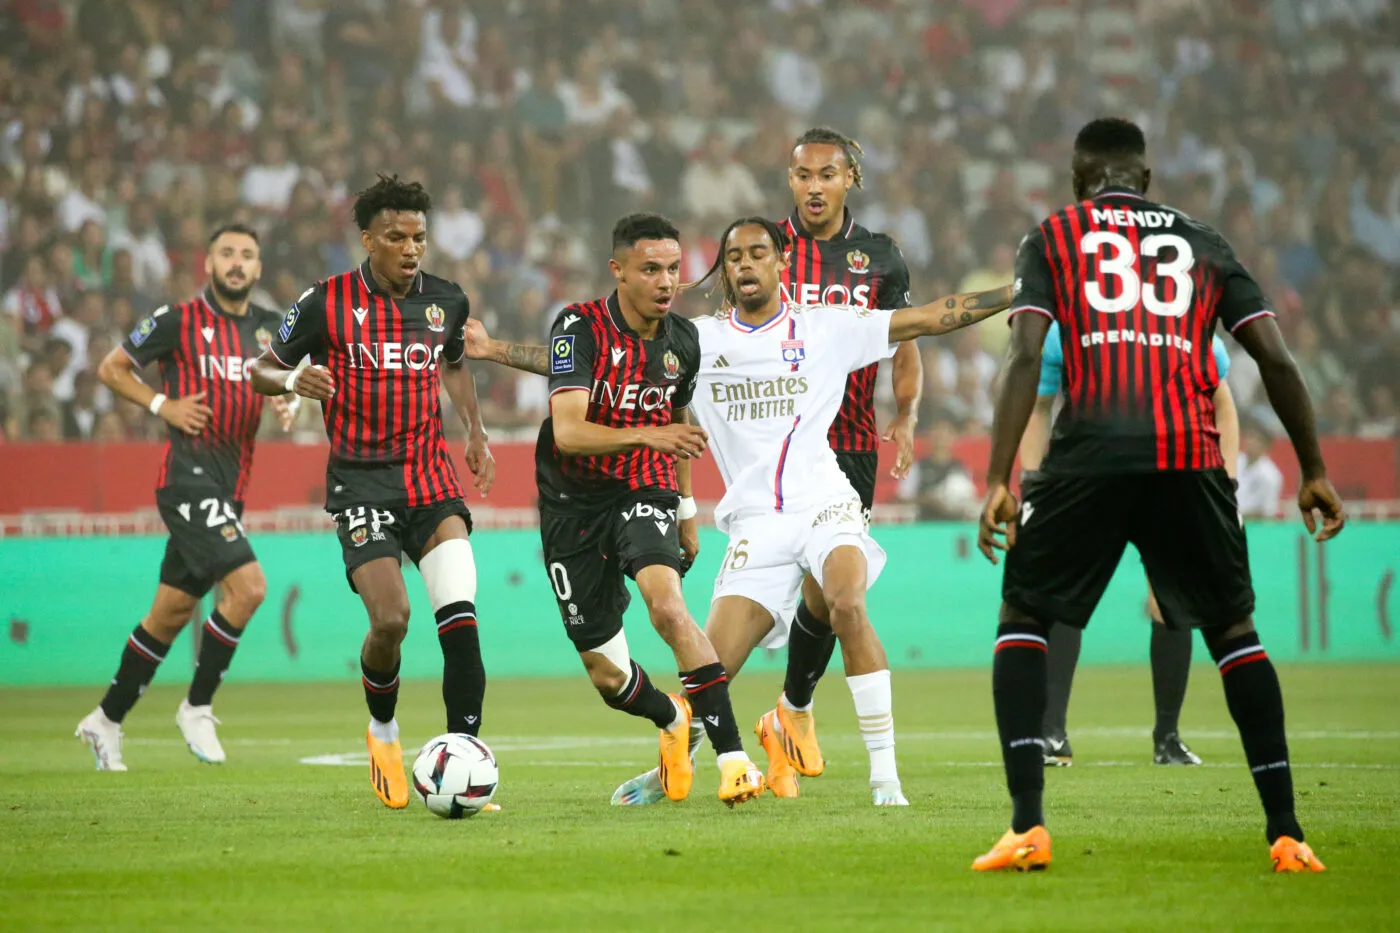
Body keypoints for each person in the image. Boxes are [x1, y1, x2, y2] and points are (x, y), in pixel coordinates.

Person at [467, 216, 1012, 806]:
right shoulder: (698, 342)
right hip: (755, 525)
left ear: (782, 262)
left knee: (847, 603)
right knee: (707, 677)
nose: (746, 264)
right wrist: (494, 350)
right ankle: (679, 766)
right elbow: (587, 363)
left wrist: (1016, 291)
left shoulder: (829, 327)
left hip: (824, 501)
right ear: (724, 270)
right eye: (734, 257)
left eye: (757, 253)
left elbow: (930, 317)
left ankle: (886, 782)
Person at [974, 118, 1344, 873]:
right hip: (1187, 454)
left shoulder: (1052, 237)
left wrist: (997, 478)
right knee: (1234, 631)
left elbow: (1024, 354)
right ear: (1143, 179)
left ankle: (1028, 826)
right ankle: (1286, 832)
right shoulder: (1204, 242)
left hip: (1088, 456)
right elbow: (1275, 358)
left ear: (1079, 181)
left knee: (1025, 615)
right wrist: (1313, 467)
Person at [463, 213, 767, 808]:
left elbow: (677, 420)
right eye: (650, 269)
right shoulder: (578, 326)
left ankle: (734, 761)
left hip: (643, 487)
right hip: (571, 505)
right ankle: (673, 719)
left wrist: (686, 508)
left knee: (668, 607)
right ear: (618, 271)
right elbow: (570, 432)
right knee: (608, 676)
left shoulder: (683, 340)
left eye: (673, 269)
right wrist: (648, 435)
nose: (666, 281)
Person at [248, 175, 497, 811]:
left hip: (430, 481)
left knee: (460, 616)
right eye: (396, 237)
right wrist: (294, 380)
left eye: (418, 237)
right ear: (368, 240)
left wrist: (474, 432)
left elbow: (454, 363)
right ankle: (383, 728)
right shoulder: (326, 302)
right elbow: (260, 370)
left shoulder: (446, 301)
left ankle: (463, 758)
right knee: (391, 620)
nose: (411, 248)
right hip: (360, 484)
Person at [75, 224, 293, 770]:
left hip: (230, 488)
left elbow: (292, 375)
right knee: (249, 588)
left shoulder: (272, 327)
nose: (236, 262)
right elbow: (111, 368)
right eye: (227, 253)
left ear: (259, 268)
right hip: (187, 480)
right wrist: (162, 405)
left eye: (247, 255)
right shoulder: (177, 320)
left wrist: (290, 397)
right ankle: (197, 706)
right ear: (208, 264)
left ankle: (104, 721)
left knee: (169, 614)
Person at [757, 127, 925, 797]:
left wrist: (906, 412)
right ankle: (762, 718)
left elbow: (906, 343)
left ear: (850, 177)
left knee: (828, 595)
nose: (814, 186)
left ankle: (790, 710)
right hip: (776, 446)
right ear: (790, 179)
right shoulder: (762, 248)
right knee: (794, 596)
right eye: (803, 175)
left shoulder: (880, 258)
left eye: (827, 174)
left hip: (849, 447)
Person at [1019, 321, 1240, 767]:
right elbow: (1038, 406)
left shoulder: (1188, 328)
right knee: (1063, 595)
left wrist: (1227, 483)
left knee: (1169, 600)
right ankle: (1051, 733)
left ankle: (1167, 738)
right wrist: (1030, 484)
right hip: (1089, 476)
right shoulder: (1067, 330)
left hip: (1169, 476)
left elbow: (1223, 405)